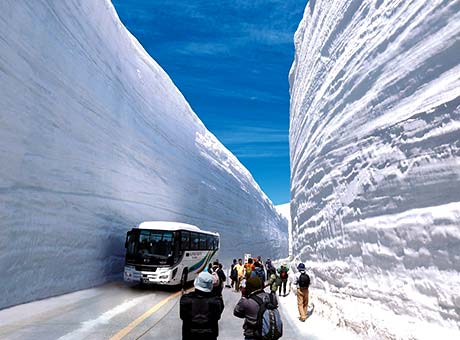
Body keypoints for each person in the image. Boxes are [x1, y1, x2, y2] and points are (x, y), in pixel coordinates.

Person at [180, 271, 224, 340]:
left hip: (189, 335)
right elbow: (217, 316)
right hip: (209, 335)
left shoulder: (185, 299)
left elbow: (183, 316)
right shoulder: (216, 301)